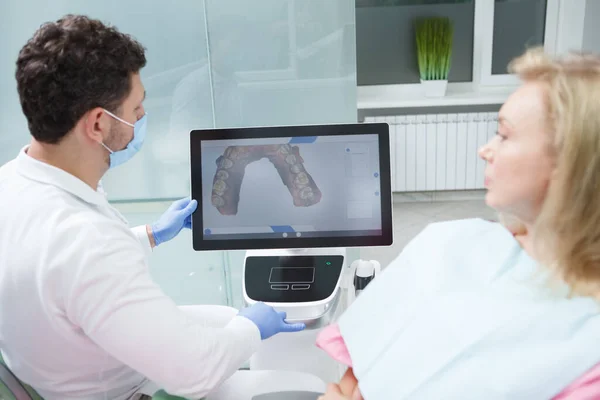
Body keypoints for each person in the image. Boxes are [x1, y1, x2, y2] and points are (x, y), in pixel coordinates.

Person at [0, 14, 305, 400]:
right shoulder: (89, 243)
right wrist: (253, 328)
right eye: (136, 108)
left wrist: (148, 235)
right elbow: (196, 373)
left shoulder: (11, 182)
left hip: (63, 363)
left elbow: (57, 272)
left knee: (228, 319)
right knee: (283, 377)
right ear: (97, 124)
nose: (142, 118)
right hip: (115, 390)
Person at [316, 47, 600, 399]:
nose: (486, 149)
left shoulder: (587, 354)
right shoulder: (449, 241)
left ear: (569, 162)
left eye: (505, 134)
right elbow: (355, 375)